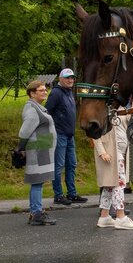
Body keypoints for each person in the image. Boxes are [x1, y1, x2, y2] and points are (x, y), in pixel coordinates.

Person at [16, 80, 56, 226]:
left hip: (43, 150)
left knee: (39, 181)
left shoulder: (37, 107)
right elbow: (24, 131)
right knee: (37, 182)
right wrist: (20, 148)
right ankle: (36, 213)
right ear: (32, 93)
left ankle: (36, 212)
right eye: (41, 90)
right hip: (38, 151)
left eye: (45, 90)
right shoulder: (32, 109)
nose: (45, 92)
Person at [46, 68, 87, 206]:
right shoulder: (56, 93)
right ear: (60, 79)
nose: (70, 80)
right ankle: (58, 195)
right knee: (59, 166)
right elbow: (47, 112)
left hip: (70, 135)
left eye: (72, 78)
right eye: (67, 78)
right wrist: (53, 131)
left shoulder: (69, 92)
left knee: (72, 164)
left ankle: (72, 193)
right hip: (59, 135)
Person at [94, 109, 133, 230]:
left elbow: (132, 118)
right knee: (119, 183)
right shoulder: (103, 108)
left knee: (110, 185)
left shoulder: (122, 108)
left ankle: (104, 216)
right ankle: (120, 216)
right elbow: (94, 132)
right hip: (111, 152)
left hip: (121, 151)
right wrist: (102, 151)